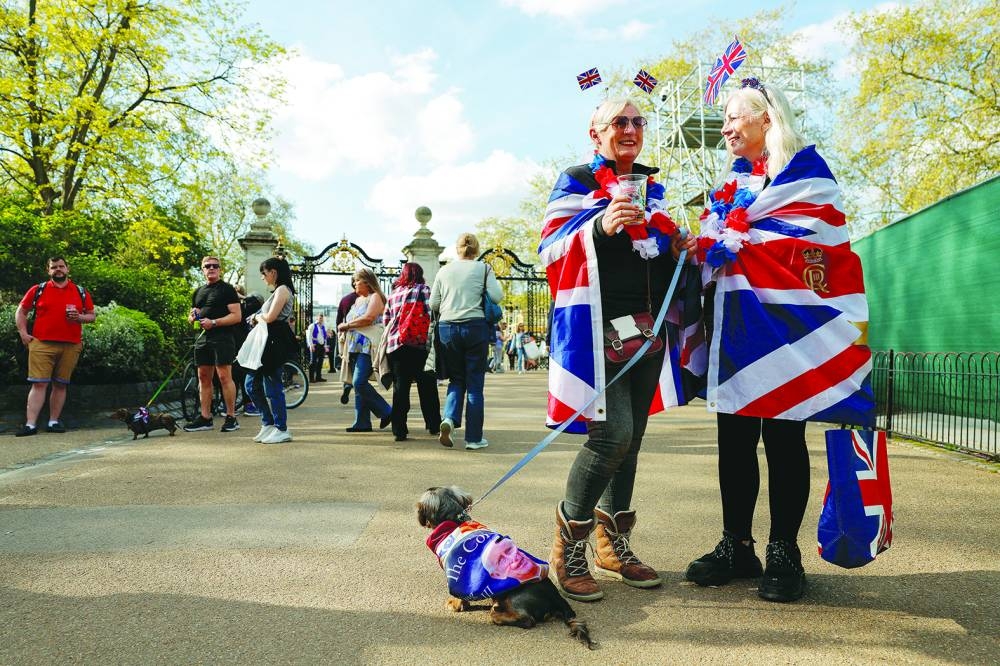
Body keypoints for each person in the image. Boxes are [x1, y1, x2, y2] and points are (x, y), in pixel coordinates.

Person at [684, 78, 862, 603]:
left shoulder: (807, 176)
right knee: (733, 441)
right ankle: (737, 544)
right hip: (735, 332)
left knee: (783, 440)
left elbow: (820, 246)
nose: (727, 126)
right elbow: (723, 249)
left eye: (736, 116)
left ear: (767, 119)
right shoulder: (732, 186)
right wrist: (705, 246)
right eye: (725, 119)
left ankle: (785, 550)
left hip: (786, 335)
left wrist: (746, 241)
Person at [538, 97, 695, 601]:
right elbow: (552, 248)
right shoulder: (577, 180)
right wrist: (600, 226)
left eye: (637, 121)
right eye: (619, 122)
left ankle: (614, 545)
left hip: (647, 331)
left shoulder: (654, 189)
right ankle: (570, 546)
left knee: (633, 438)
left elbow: (652, 260)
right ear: (595, 132)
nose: (630, 129)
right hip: (597, 332)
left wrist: (676, 249)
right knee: (611, 437)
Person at [429, 233, 503, 451]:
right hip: (474, 327)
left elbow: (434, 303)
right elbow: (497, 296)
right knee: (475, 385)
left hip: (447, 329)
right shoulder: (483, 269)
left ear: (457, 249)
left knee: (456, 379)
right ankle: (473, 438)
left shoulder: (444, 270)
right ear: (476, 249)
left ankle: (449, 419)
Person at [13, 257, 96, 436]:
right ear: (48, 270)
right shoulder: (38, 289)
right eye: (54, 267)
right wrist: (23, 333)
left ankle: (53, 422)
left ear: (67, 269)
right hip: (41, 343)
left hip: (71, 345)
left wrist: (79, 317)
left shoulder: (80, 291)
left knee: (60, 385)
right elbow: (21, 310)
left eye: (61, 266)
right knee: (39, 384)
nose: (58, 269)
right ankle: (30, 425)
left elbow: (91, 315)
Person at [382, 262, 441, 442]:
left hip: (397, 346)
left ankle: (399, 429)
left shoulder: (393, 294)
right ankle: (433, 424)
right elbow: (434, 312)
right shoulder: (424, 290)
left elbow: (386, 320)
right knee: (427, 387)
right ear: (420, 274)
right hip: (419, 345)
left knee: (401, 387)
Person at [184, 256, 241, 433]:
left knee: (224, 376)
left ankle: (231, 416)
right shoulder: (198, 291)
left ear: (220, 269)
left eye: (215, 266)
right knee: (203, 377)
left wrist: (214, 322)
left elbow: (236, 316)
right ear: (202, 269)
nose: (211, 268)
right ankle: (205, 417)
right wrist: (192, 317)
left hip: (222, 338)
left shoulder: (227, 290)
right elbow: (191, 315)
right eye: (207, 266)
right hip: (202, 339)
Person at [244, 257, 297, 444]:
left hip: (273, 341)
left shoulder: (283, 290)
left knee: (272, 385)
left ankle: (281, 428)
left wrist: (257, 317)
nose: (263, 277)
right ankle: (268, 423)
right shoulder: (277, 291)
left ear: (273, 272)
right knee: (251, 384)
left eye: (264, 273)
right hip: (267, 341)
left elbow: (271, 317)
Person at [337, 268, 392, 433]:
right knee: (359, 384)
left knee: (358, 382)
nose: (354, 283)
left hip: (367, 346)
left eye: (357, 280)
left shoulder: (375, 297)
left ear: (367, 282)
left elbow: (368, 319)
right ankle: (362, 421)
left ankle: (388, 412)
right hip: (354, 346)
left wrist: (346, 325)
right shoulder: (358, 300)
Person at [336, 284, 360, 404]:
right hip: (362, 335)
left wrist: (339, 334)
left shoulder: (345, 299)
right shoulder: (367, 298)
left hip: (347, 334)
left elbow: (339, 319)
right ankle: (358, 388)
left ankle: (347, 384)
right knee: (359, 365)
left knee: (347, 362)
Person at [305, 314, 328, 382]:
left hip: (321, 346)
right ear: (317, 318)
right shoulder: (312, 325)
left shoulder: (323, 327)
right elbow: (309, 336)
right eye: (320, 318)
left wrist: (325, 346)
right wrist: (311, 345)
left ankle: (318, 377)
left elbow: (325, 337)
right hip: (315, 345)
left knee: (320, 362)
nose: (321, 319)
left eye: (322, 318)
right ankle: (311, 378)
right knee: (313, 362)